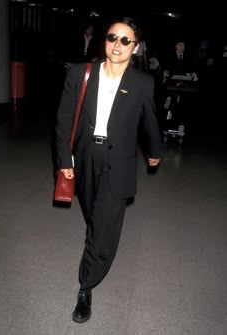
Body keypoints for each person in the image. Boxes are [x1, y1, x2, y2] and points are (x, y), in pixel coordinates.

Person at [55, 19, 162, 324]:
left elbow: (149, 120)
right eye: (112, 38)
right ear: (105, 42)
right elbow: (63, 121)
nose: (117, 44)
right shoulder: (80, 74)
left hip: (120, 162)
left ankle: (86, 287)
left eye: (125, 40)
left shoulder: (142, 83)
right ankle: (96, 240)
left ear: (135, 47)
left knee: (103, 233)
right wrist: (65, 160)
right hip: (86, 156)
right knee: (92, 214)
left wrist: (155, 150)